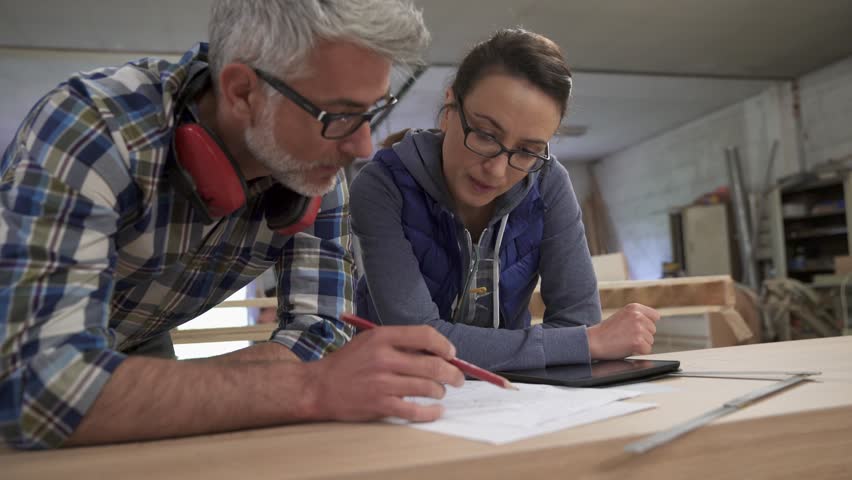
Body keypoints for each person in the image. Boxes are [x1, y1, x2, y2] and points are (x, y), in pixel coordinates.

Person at [0, 0, 464, 450]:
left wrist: (134, 391)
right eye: (339, 115)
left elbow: (320, 334)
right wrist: (307, 388)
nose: (363, 147)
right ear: (242, 91)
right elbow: (38, 388)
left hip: (135, 341)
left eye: (371, 112)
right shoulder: (96, 131)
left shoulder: (312, 167)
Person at [350, 28, 660, 371]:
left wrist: (576, 341)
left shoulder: (548, 182)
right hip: (392, 387)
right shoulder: (383, 184)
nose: (497, 171)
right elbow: (417, 341)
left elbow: (577, 321)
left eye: (528, 151)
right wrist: (581, 343)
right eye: (484, 134)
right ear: (450, 108)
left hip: (510, 396)